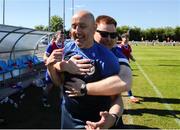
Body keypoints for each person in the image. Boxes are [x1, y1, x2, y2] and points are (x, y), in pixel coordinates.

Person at [46, 10, 131, 129]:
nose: (109, 39)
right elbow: (60, 82)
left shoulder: (112, 57)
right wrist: (54, 66)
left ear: (93, 28)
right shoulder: (69, 47)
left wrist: (112, 118)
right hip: (68, 117)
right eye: (74, 26)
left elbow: (120, 89)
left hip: (92, 123)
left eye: (113, 35)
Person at [43, 31, 64, 107]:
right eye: (60, 36)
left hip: (60, 69)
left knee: (62, 86)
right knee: (49, 86)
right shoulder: (51, 45)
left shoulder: (64, 45)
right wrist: (48, 61)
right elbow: (45, 56)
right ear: (56, 36)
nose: (62, 38)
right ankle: (44, 99)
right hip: (51, 69)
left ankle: (62, 105)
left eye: (63, 36)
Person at [119, 33, 139, 103]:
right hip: (120, 65)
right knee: (125, 79)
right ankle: (130, 95)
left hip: (127, 64)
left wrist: (132, 58)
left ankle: (130, 95)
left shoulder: (128, 46)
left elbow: (129, 54)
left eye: (127, 38)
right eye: (125, 37)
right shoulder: (119, 47)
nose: (126, 39)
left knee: (126, 80)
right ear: (122, 38)